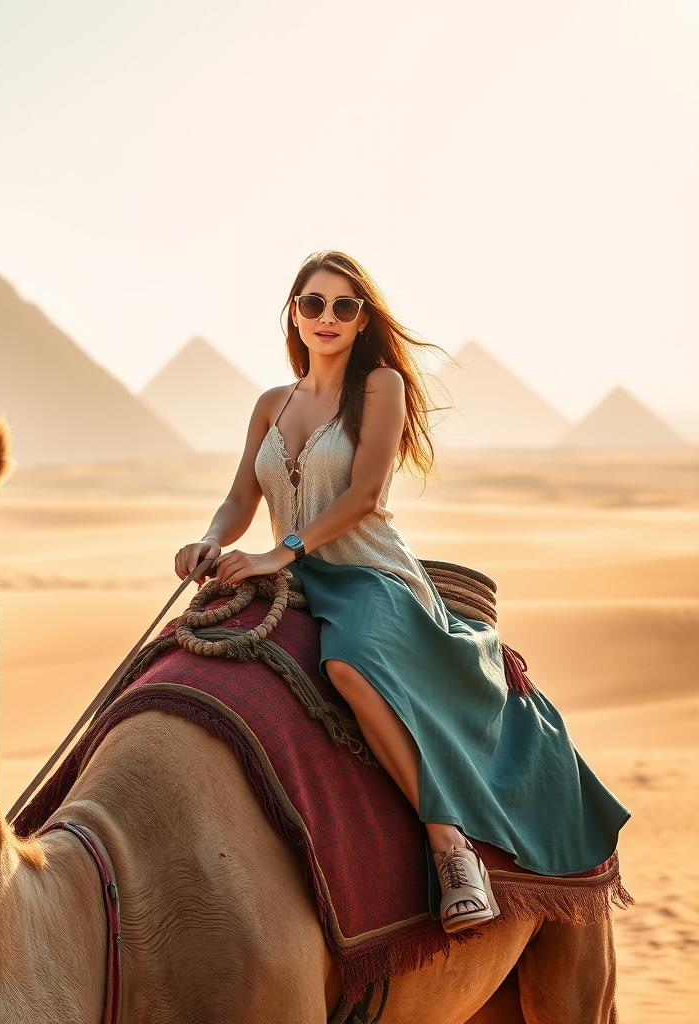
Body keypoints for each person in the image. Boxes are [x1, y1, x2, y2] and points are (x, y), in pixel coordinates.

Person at [174, 249, 631, 934]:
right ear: (292, 316)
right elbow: (241, 495)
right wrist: (211, 538)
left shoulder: (379, 387)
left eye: (343, 307)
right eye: (312, 304)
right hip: (288, 578)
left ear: (361, 323)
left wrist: (281, 549)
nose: (326, 318)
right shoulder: (272, 404)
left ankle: (451, 847)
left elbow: (362, 496)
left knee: (347, 665)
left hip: (367, 574)